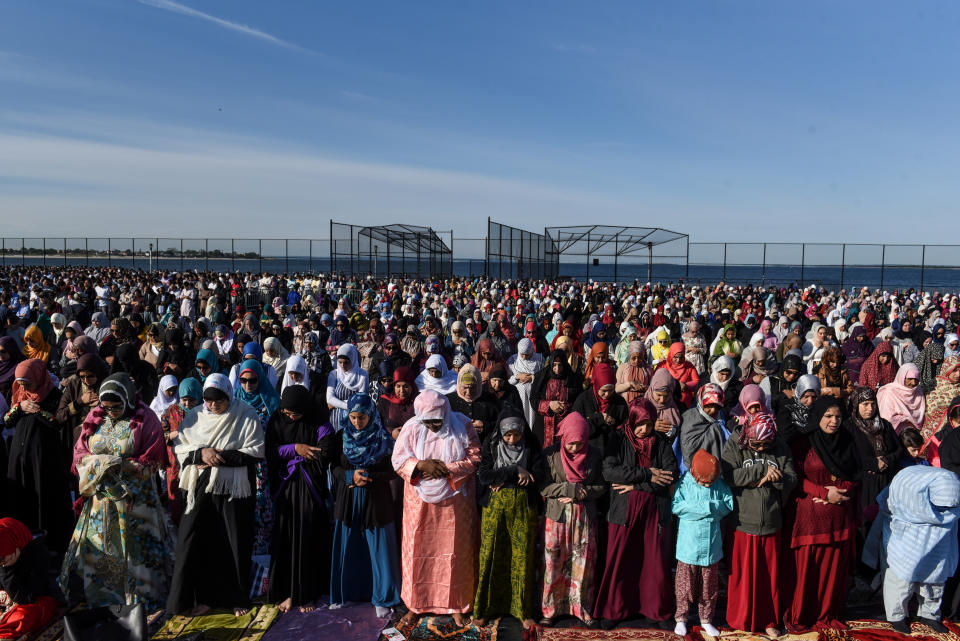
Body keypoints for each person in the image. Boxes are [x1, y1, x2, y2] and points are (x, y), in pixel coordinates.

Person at [60, 373, 173, 609]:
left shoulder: (146, 419)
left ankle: (142, 601)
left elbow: (152, 460)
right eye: (107, 406)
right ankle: (106, 600)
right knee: (104, 549)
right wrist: (99, 463)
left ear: (129, 400)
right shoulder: (95, 417)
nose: (111, 411)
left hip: (135, 503)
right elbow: (80, 453)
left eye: (117, 406)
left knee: (135, 552)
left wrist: (121, 464)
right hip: (102, 502)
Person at [167, 374, 265, 617]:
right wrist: (201, 453)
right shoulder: (195, 416)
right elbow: (181, 447)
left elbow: (254, 452)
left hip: (234, 489)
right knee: (194, 539)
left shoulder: (245, 414)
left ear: (229, 397)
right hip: (199, 486)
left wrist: (217, 457)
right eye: (208, 401)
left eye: (218, 401)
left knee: (233, 541)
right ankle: (197, 598)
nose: (212, 406)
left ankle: (236, 597)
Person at [391, 389, 481, 628]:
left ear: (446, 414)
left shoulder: (462, 424)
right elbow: (398, 459)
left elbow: (474, 456)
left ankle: (456, 605)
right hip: (419, 503)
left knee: (453, 553)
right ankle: (415, 605)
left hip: (454, 502)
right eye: (427, 421)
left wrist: (447, 470)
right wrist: (421, 465)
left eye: (437, 421)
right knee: (417, 551)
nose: (432, 426)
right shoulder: (411, 427)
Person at [594, 398, 678, 628]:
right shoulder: (619, 438)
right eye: (640, 424)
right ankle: (614, 609)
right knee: (621, 558)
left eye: (649, 424)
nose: (644, 429)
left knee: (654, 560)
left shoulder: (660, 442)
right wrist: (647, 474)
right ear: (631, 422)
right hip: (624, 510)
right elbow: (610, 471)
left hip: (654, 510)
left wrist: (638, 485)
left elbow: (670, 474)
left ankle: (656, 610)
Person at [784, 397, 860, 632]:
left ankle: (827, 613)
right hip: (809, 517)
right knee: (808, 570)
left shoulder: (848, 441)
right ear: (817, 416)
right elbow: (794, 476)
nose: (834, 421)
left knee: (833, 571)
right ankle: (802, 615)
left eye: (838, 416)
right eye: (828, 416)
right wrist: (823, 493)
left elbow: (857, 473)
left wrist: (841, 492)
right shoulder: (803, 442)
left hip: (839, 515)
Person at [721, 411, 797, 637]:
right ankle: (741, 619)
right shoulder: (735, 444)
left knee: (768, 577)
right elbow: (728, 476)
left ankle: (768, 620)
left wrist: (778, 478)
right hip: (743, 521)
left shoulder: (780, 446)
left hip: (772, 521)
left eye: (766, 445)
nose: (762, 449)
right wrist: (761, 470)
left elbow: (793, 478)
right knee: (743, 577)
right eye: (757, 444)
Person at [863, 465, 960, 634]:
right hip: (906, 532)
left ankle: (930, 614)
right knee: (901, 577)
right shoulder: (908, 494)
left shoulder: (949, 484)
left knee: (936, 575)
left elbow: (951, 509)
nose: (945, 511)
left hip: (940, 536)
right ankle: (897, 616)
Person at [267, 385, 338, 614]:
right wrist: (295, 450)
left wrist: (297, 458)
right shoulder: (277, 420)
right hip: (286, 488)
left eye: (294, 414)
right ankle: (287, 591)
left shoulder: (320, 420)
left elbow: (325, 452)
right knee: (286, 538)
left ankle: (307, 592)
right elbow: (269, 450)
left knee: (308, 535)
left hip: (310, 489)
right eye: (287, 413)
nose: (290, 417)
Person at [329, 393, 401, 617]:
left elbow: (392, 469)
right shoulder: (341, 436)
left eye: (362, 417)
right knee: (349, 546)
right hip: (348, 499)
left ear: (370, 414)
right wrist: (351, 477)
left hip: (376, 499)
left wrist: (367, 477)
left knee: (379, 548)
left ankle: (383, 596)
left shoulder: (383, 438)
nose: (357, 422)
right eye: (353, 417)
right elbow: (333, 467)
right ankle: (346, 594)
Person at [473, 408, 542, 630]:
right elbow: (484, 476)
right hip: (494, 509)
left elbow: (538, 474)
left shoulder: (531, 446)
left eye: (516, 434)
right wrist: (515, 470)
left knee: (522, 557)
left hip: (523, 507)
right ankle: (484, 609)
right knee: (490, 555)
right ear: (500, 433)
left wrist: (504, 475)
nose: (512, 439)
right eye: (508, 435)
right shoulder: (491, 445)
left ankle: (523, 611)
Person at [536, 412, 605, 628]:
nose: (575, 449)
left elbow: (602, 487)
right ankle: (550, 609)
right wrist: (568, 488)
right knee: (553, 562)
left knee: (582, 563)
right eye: (571, 444)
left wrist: (584, 492)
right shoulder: (550, 455)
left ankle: (581, 608)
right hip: (556, 517)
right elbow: (543, 485)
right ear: (563, 438)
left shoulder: (594, 455)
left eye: (579, 443)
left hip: (584, 516)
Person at [4, 359, 72, 554]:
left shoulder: (54, 395)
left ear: (38, 377)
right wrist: (20, 407)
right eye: (21, 382)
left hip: (44, 456)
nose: (24, 386)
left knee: (43, 492)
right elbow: (7, 421)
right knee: (21, 495)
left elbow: (57, 422)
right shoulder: (19, 393)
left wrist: (38, 411)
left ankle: (47, 542)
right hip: (20, 455)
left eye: (28, 382)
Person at [672, 449, 734, 638]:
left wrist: (711, 507)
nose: (707, 485)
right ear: (694, 473)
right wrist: (706, 508)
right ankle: (681, 618)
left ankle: (706, 619)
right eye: (704, 482)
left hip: (711, 545)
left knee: (709, 587)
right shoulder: (684, 483)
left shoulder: (719, 484)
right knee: (685, 585)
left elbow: (728, 504)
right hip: (688, 545)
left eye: (710, 482)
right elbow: (677, 507)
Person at [0, 517, 59, 639]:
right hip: (6, 602)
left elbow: (25, 598)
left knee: (25, 616)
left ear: (13, 542)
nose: (2, 563)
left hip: (32, 601)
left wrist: (8, 570)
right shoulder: (3, 559)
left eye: (2, 558)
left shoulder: (37, 554)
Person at [159, 377, 203, 525]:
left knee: (193, 492)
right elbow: (161, 436)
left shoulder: (204, 412)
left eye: (192, 400)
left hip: (194, 461)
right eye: (184, 399)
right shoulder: (172, 411)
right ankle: (178, 526)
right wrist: (172, 435)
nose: (187, 404)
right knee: (175, 493)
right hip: (174, 461)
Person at [530, 349, 583, 447]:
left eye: (560, 365)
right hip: (543, 427)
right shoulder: (541, 377)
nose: (557, 369)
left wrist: (565, 407)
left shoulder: (573, 379)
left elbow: (579, 402)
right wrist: (549, 405)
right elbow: (533, 399)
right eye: (554, 365)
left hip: (566, 425)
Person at [572, 361, 627, 451]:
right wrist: (599, 418)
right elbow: (576, 428)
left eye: (611, 390)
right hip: (588, 450)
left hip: (613, 451)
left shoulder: (619, 402)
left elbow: (625, 426)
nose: (607, 394)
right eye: (604, 391)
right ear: (596, 385)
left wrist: (615, 425)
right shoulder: (583, 400)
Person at [679, 383, 729, 470]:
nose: (713, 410)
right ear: (700, 401)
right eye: (709, 406)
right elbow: (688, 451)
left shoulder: (722, 417)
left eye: (717, 406)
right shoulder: (689, 418)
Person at [877, 363, 926, 435]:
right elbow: (886, 418)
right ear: (902, 377)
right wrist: (904, 419)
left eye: (916, 380)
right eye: (910, 379)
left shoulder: (918, 392)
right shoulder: (890, 392)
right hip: (894, 433)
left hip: (914, 434)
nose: (913, 383)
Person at [775, 374, 821, 444]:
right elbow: (785, 434)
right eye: (806, 396)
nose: (810, 401)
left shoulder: (820, 407)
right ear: (799, 393)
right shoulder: (786, 407)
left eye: (814, 397)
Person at [923, 357, 960, 439]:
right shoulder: (933, 385)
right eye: (954, 370)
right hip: (926, 432)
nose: (958, 374)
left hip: (951, 436)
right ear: (946, 370)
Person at [377, 366, 417, 439]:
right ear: (394, 386)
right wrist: (391, 432)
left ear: (412, 385)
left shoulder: (419, 401)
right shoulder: (385, 401)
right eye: (398, 386)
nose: (402, 391)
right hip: (389, 442)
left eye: (406, 386)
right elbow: (377, 423)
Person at [660, 342, 698, 406]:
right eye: (675, 357)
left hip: (685, 403)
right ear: (671, 354)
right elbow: (655, 381)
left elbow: (697, 381)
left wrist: (686, 385)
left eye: (681, 357)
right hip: (666, 401)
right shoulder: (663, 365)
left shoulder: (689, 366)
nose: (678, 360)